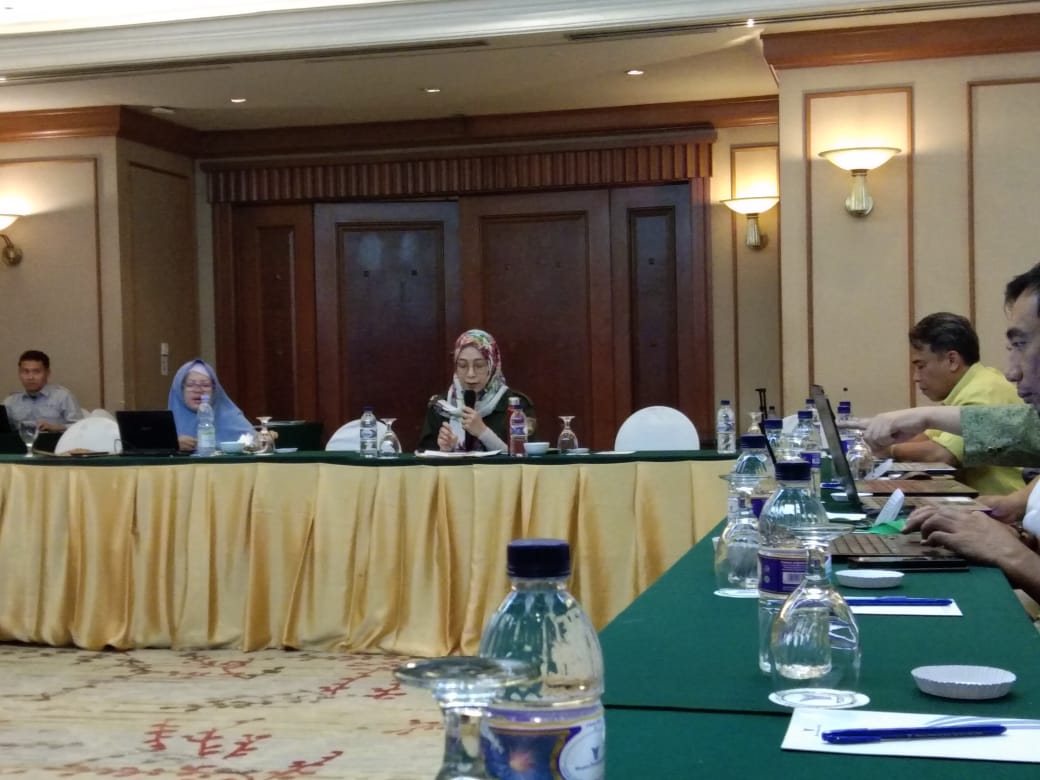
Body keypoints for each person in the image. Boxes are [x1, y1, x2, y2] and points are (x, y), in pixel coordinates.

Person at [861, 264, 1040, 603]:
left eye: (1021, 344)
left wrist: (1010, 553)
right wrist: (1012, 528)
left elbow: (949, 450)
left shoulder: (984, 387)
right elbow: (1021, 429)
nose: (1012, 372)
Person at [873, 312, 1023, 495]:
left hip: (1008, 507)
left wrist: (889, 450)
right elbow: (927, 437)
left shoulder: (983, 391)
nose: (916, 377)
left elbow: (941, 455)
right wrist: (879, 438)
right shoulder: (970, 385)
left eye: (921, 366)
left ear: (952, 360)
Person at [417, 329, 534, 452]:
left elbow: (528, 457)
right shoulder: (441, 407)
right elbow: (424, 459)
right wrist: (445, 451)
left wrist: (483, 432)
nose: (470, 374)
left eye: (479, 365)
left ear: (493, 365)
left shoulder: (516, 407)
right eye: (462, 365)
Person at [168, 359, 255, 453]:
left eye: (205, 385)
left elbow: (254, 442)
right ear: (180, 390)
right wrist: (172, 444)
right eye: (190, 385)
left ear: (214, 390)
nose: (198, 390)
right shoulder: (167, 421)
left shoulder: (231, 417)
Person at [3, 349, 82, 432]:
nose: (30, 377)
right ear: (19, 373)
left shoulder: (62, 396)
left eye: (36, 372)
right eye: (25, 372)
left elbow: (81, 427)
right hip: (21, 440)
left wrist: (55, 428)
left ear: (47, 373)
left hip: (54, 439)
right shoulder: (11, 400)